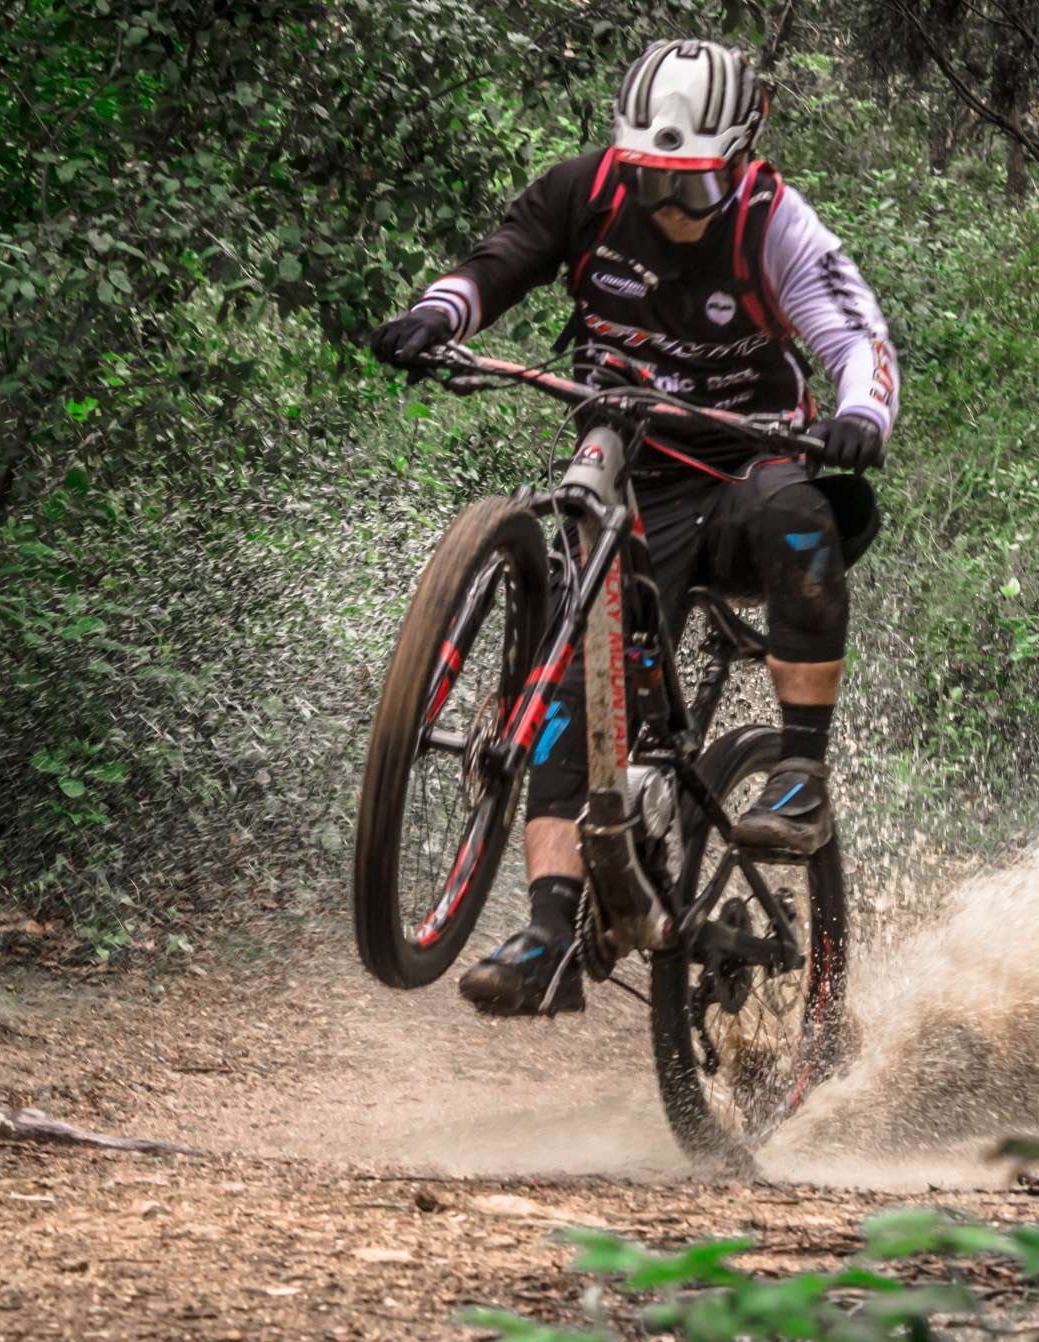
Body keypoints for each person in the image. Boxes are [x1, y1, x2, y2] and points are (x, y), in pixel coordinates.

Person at [370, 38, 902, 1015]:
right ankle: (549, 929)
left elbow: (853, 336)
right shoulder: (585, 190)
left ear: (739, 155)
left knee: (795, 515)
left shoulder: (771, 221)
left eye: (691, 182)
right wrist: (436, 315)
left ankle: (797, 771)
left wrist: (861, 413)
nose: (669, 198)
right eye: (655, 174)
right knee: (572, 677)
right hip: (630, 472)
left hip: (744, 463)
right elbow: (497, 263)